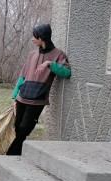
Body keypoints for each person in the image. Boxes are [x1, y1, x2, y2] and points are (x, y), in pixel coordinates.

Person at [8, 23, 71, 155]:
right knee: (18, 126)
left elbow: (66, 72)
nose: (32, 39)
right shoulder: (32, 54)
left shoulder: (58, 54)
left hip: (37, 99)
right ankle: (17, 154)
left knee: (25, 127)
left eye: (34, 36)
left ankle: (10, 155)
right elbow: (23, 75)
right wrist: (14, 96)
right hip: (22, 96)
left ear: (42, 37)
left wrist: (49, 64)